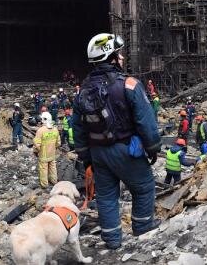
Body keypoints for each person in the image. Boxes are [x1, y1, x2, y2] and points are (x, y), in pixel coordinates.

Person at [71, 33, 162, 249]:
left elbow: (78, 129)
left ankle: (112, 240)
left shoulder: (82, 91)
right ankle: (142, 228)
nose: (121, 57)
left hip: (98, 153)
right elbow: (145, 120)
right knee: (144, 187)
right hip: (126, 149)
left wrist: (86, 159)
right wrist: (152, 147)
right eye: (118, 54)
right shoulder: (129, 85)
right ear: (110, 57)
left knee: (106, 196)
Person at [33, 111, 60, 188]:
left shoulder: (40, 130)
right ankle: (54, 181)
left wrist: (35, 151)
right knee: (53, 167)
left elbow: (37, 143)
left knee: (43, 169)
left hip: (43, 154)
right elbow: (58, 143)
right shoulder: (55, 129)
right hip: (52, 153)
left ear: (43, 119)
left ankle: (44, 185)